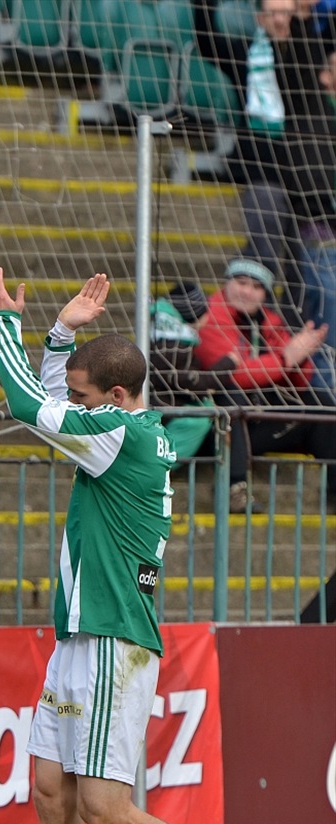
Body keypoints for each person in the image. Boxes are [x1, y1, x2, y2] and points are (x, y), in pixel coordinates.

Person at [0, 266, 258, 824]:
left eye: (82, 395)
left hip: (111, 641)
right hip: (83, 637)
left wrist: (2, 324)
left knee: (106, 808)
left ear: (115, 397)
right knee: (51, 789)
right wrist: (62, 333)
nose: (72, 405)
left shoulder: (120, 436)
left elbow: (23, 403)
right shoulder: (123, 425)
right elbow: (49, 399)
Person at [193, 0, 334, 327]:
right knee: (264, 254)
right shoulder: (245, 54)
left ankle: (297, 330)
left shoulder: (307, 55)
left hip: (304, 181)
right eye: (274, 12)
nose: (280, 19)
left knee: (304, 263)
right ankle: (262, 330)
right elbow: (206, 41)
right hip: (262, 174)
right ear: (260, 17)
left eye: (286, 12)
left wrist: (301, 20)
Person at [195, 258, 336, 511]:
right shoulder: (208, 315)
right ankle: (233, 488)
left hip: (254, 421)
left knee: (321, 405)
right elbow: (232, 376)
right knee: (231, 394)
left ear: (265, 294)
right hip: (211, 427)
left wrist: (299, 357)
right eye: (241, 282)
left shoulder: (269, 321)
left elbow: (299, 384)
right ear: (226, 284)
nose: (247, 291)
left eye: (256, 287)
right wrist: (286, 358)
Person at [283, 48, 336, 391]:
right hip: (322, 236)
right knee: (328, 305)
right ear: (324, 76)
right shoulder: (310, 119)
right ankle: (324, 393)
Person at [149, 282, 218, 462]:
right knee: (199, 418)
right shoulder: (176, 344)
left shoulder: (158, 332)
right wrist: (227, 366)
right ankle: (158, 467)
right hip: (160, 409)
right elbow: (185, 381)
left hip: (158, 405)